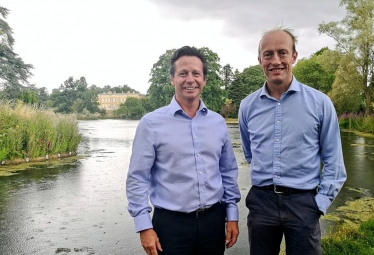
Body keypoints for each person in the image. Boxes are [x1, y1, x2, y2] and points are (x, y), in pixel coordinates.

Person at [238, 27, 347, 255]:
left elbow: (334, 162)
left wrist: (319, 203)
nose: (275, 60)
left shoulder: (320, 103)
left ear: (294, 56)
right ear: (260, 60)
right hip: (261, 203)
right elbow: (250, 154)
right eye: (268, 54)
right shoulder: (247, 106)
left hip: (303, 204)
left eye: (282, 53)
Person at [126, 46, 241, 255]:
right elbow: (137, 178)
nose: (190, 79)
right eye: (183, 73)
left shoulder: (218, 123)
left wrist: (232, 215)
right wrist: (144, 225)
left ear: (204, 80)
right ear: (172, 79)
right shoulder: (150, 124)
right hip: (170, 227)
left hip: (213, 224)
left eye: (196, 73)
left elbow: (228, 172)